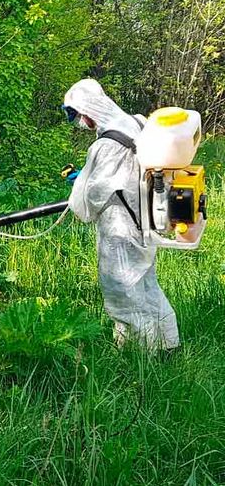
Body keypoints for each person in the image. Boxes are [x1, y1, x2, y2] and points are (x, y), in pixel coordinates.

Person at [61, 79, 179, 351]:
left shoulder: (104, 145)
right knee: (146, 286)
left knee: (123, 291)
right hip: (144, 219)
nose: (80, 122)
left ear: (89, 109)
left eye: (78, 115)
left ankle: (140, 356)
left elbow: (93, 197)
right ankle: (168, 344)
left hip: (120, 226)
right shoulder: (135, 122)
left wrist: (81, 184)